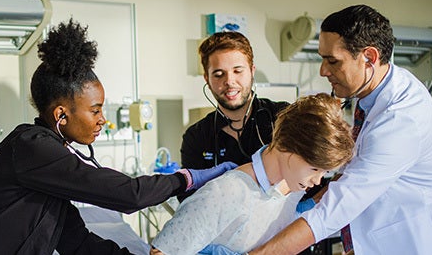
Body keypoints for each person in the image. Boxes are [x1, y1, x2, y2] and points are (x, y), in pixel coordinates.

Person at [0, 19, 236, 254]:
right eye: (95, 110)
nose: (102, 119)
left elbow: (77, 243)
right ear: (61, 115)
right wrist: (188, 178)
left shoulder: (46, 167)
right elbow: (128, 195)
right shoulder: (30, 147)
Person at [244, 4, 432, 254]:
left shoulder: (401, 120)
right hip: (383, 238)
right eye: (322, 59)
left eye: (333, 61)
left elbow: (340, 205)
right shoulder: (372, 95)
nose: (323, 71)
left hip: (419, 242)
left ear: (370, 58)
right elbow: (354, 177)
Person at [150, 93, 355, 255]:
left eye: (324, 171)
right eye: (315, 169)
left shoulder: (289, 187)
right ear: (287, 146)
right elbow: (161, 252)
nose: (318, 180)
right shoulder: (228, 193)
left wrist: (313, 204)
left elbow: (271, 220)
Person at [179, 32, 327, 207]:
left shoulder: (284, 116)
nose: (229, 81)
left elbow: (316, 177)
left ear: (252, 71)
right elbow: (192, 202)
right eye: (219, 74)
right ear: (207, 79)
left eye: (238, 71)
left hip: (285, 224)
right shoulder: (196, 137)